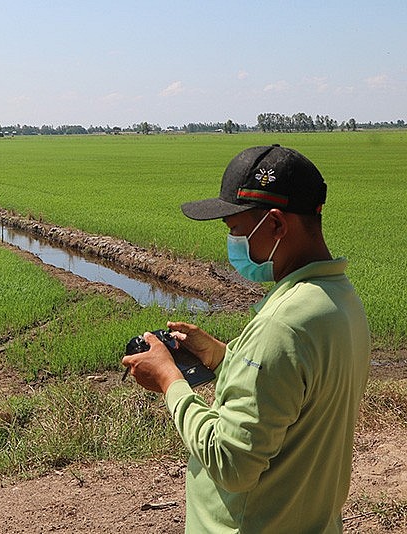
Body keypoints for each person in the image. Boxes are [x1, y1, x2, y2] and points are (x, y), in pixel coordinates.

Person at [122, 145, 371, 533]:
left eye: (236, 230)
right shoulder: (338, 300)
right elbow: (289, 391)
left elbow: (231, 464)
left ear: (275, 224)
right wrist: (221, 357)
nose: (232, 244)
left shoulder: (282, 326)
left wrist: (170, 381)